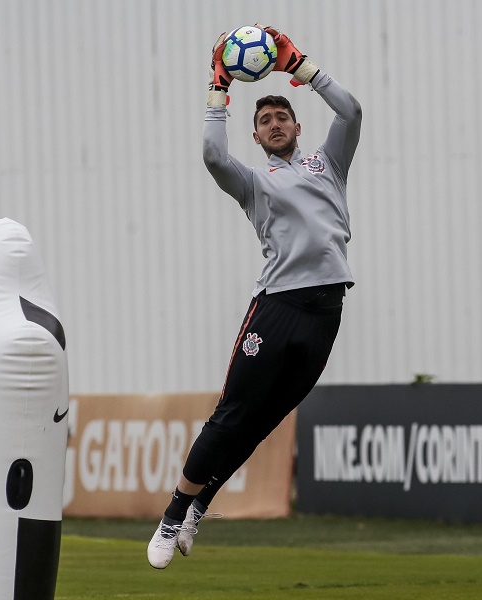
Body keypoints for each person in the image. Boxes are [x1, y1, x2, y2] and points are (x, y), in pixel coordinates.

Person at [147, 25, 362, 569]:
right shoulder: (253, 181)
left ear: (296, 125)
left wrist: (301, 67)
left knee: (265, 421)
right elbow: (211, 155)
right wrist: (219, 85)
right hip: (278, 307)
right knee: (233, 413)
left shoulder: (327, 165)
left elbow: (352, 111)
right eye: (264, 121)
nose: (274, 124)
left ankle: (202, 504)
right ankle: (174, 512)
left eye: (281, 117)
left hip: (326, 310)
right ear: (257, 136)